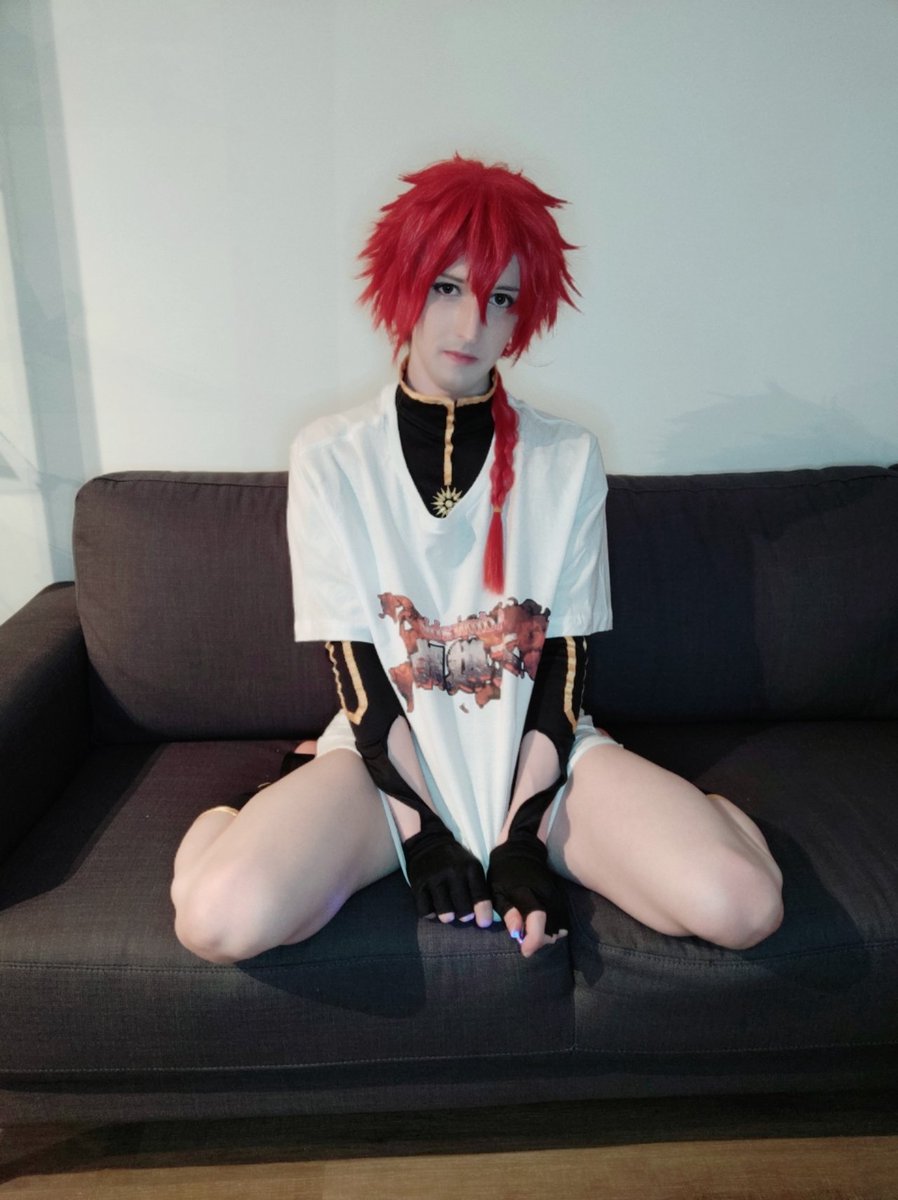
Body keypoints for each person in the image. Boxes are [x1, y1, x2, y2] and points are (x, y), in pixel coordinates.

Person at [171, 156, 783, 963]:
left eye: (500, 300)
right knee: (217, 920)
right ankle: (233, 817)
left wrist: (521, 833)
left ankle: (712, 817)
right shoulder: (332, 456)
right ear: (405, 283)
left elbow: (564, 663)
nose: (471, 327)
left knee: (744, 905)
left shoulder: (566, 458)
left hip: (536, 760)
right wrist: (423, 832)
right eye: (448, 287)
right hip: (383, 771)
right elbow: (356, 665)